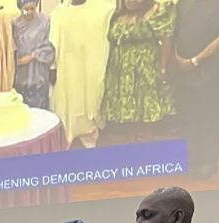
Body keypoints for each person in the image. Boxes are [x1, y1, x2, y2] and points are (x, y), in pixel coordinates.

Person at [170, 0, 219, 178]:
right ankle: (192, 161)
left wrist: (196, 60)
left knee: (209, 119)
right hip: (184, 72)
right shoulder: (183, 3)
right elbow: (174, 33)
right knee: (188, 119)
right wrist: (178, 58)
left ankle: (208, 163)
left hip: (211, 73)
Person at [100, 0, 176, 131]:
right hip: (120, 71)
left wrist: (164, 66)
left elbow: (166, 39)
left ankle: (146, 142)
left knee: (146, 111)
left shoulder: (155, 11)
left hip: (145, 67)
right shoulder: (117, 16)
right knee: (127, 115)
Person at [49, 0, 114, 147]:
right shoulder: (60, 13)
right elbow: (53, 42)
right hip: (67, 65)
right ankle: (68, 133)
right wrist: (53, 66)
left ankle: (88, 133)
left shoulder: (100, 8)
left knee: (89, 98)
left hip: (90, 66)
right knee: (68, 99)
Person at [13, 0, 56, 109]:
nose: (29, 12)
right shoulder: (15, 25)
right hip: (21, 76)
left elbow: (50, 46)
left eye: (32, 9)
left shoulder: (44, 22)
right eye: (26, 10)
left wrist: (33, 55)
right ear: (20, 8)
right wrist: (16, 61)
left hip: (39, 75)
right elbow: (10, 48)